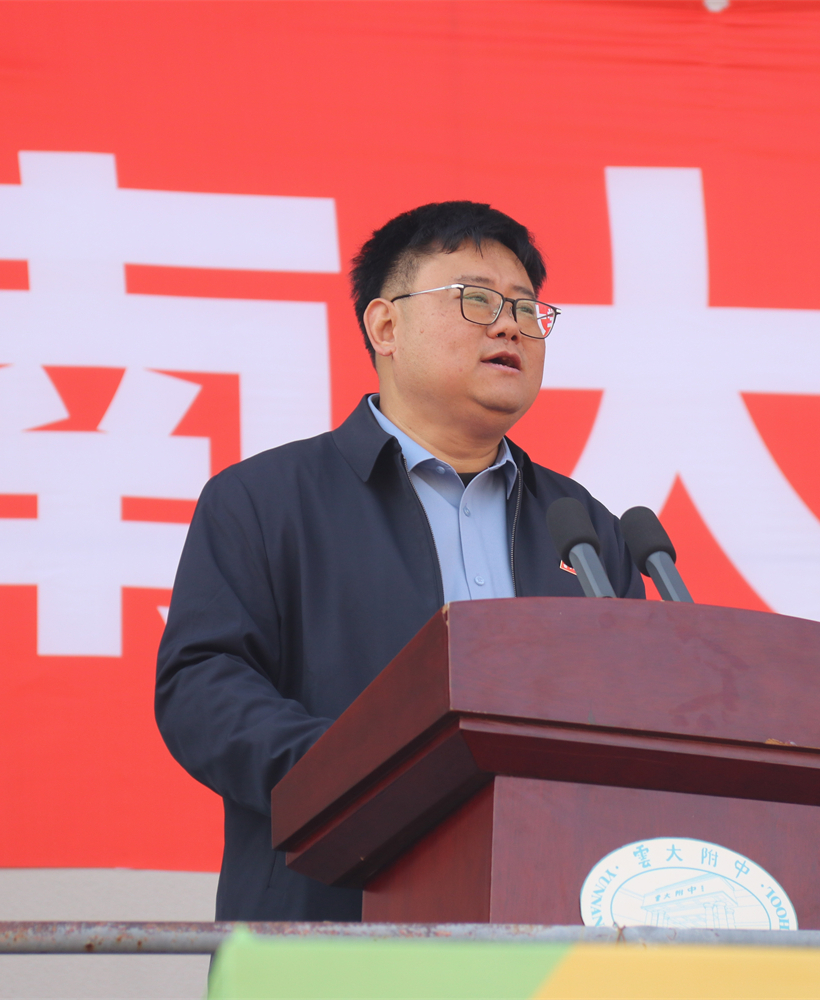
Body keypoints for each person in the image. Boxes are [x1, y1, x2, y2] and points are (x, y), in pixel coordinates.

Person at [155, 201, 644, 921]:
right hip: (329, 924)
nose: (510, 325)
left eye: (526, 308)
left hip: (546, 930)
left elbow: (635, 718)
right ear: (385, 327)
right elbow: (203, 687)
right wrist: (363, 776)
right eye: (476, 299)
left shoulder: (584, 531)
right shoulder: (265, 500)